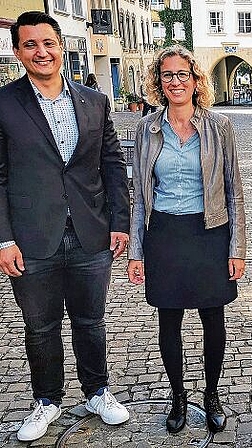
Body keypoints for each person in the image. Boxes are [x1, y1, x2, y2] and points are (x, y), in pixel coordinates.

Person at [0, 11, 131, 442]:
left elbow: (113, 163)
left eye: (49, 43)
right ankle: (47, 400)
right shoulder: (4, 103)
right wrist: (4, 238)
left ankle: (97, 390)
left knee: (90, 321)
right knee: (40, 325)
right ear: (19, 52)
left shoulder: (94, 101)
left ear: (61, 46)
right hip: (32, 237)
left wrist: (119, 222)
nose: (42, 52)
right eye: (31, 45)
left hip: (90, 232)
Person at [127, 45, 246, 434]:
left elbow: (234, 191)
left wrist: (237, 248)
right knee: (169, 320)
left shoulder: (219, 126)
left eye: (183, 74)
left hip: (210, 232)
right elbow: (141, 194)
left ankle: (211, 395)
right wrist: (137, 250)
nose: (175, 82)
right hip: (164, 233)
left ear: (196, 81)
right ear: (158, 82)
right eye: (167, 75)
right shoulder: (146, 128)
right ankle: (178, 396)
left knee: (214, 319)